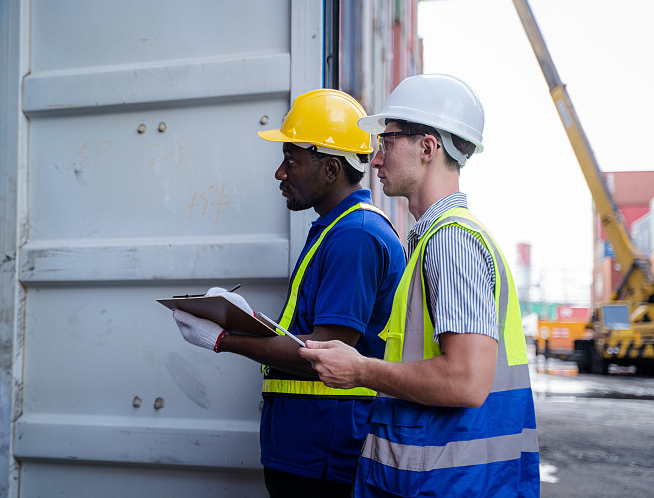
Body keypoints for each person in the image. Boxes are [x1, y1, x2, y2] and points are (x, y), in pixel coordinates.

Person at [299, 74, 540, 497]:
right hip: (448, 480)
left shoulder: (450, 241)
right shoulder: (440, 239)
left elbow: (466, 380)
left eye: (387, 143)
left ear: (427, 147)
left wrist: (360, 369)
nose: (375, 160)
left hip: (449, 484)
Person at [171, 89, 406, 497]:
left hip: (324, 453)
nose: (280, 173)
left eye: (291, 161)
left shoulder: (356, 236)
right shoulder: (339, 228)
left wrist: (225, 339)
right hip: (309, 446)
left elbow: (327, 354)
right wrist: (245, 318)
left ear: (331, 168)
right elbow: (313, 334)